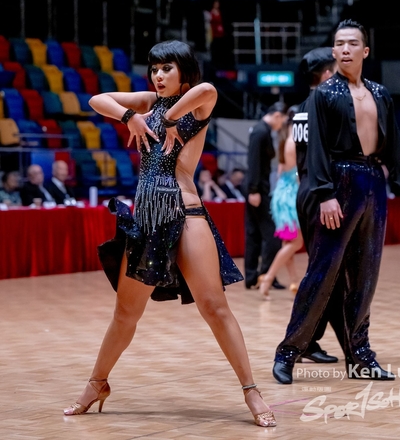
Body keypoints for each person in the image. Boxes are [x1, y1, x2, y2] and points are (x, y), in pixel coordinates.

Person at [63, 40, 276, 427]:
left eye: (167, 68)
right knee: (125, 314)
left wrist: (173, 118)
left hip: (186, 211)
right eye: (154, 69)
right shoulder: (147, 104)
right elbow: (97, 99)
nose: (158, 76)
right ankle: (97, 384)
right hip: (147, 220)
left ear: (183, 72)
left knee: (214, 307)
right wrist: (130, 117)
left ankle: (251, 390)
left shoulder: (197, 104)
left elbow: (208, 89)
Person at [272, 20, 400, 385]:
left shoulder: (380, 93)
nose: (345, 49)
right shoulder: (322, 95)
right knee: (322, 273)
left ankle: (360, 357)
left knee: (366, 274)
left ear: (365, 51)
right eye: (339, 44)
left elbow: (394, 142)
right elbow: (316, 150)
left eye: (353, 43)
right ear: (334, 51)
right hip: (338, 181)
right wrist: (324, 194)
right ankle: (288, 353)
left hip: (373, 181)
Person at [291, 47, 343, 363]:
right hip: (322, 196)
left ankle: (311, 339)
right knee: (323, 271)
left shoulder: (300, 108)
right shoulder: (325, 108)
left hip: (308, 191)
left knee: (327, 270)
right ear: (326, 74)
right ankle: (301, 341)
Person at [258, 107, 304, 299]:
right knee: (296, 242)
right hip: (290, 197)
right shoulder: (295, 142)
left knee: (288, 242)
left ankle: (295, 282)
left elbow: (280, 172)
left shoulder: (285, 140)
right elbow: (298, 174)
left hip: (282, 194)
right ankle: (267, 278)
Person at [243, 102, 288, 290]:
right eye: (283, 121)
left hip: (257, 187)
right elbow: (253, 162)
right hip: (257, 188)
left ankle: (253, 277)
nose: (282, 126)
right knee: (272, 235)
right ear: (277, 116)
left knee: (254, 232)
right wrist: (254, 190)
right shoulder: (261, 132)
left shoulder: (261, 130)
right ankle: (266, 275)